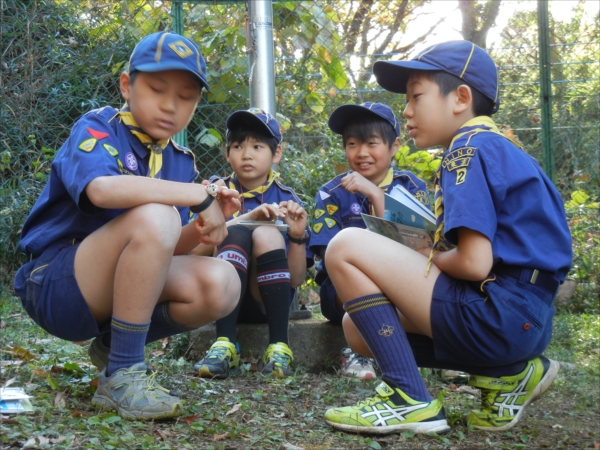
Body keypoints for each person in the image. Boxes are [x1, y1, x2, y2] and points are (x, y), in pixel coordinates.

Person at [323, 40, 572, 434]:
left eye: (415, 97)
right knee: (358, 328)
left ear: (460, 98)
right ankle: (510, 375)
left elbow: (474, 263)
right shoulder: (505, 149)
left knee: (345, 246)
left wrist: (428, 254)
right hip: (526, 321)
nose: (406, 111)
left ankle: (409, 398)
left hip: (495, 312)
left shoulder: (466, 152)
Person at [12, 32, 243, 421]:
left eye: (186, 96)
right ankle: (124, 372)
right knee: (157, 213)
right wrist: (195, 197)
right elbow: (101, 190)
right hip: (55, 284)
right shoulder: (99, 127)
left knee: (222, 282)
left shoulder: (180, 162)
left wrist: (207, 225)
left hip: (112, 289)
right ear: (126, 85)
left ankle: (113, 346)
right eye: (156, 89)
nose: (170, 105)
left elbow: (164, 246)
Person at [308, 102, 429, 381]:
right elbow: (330, 257)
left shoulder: (412, 189)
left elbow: (423, 246)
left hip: (403, 283)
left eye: (372, 143)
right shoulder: (330, 194)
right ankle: (359, 350)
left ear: (395, 146)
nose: (361, 152)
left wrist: (375, 195)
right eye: (352, 144)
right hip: (344, 292)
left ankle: (443, 351)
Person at [192, 108, 310, 379]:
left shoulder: (288, 201)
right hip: (218, 295)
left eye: (257, 146)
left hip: (266, 300)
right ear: (227, 153)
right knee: (236, 230)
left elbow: (296, 279)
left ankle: (279, 345)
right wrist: (242, 218)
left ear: (276, 153)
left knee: (266, 233)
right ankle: (224, 344)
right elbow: (191, 252)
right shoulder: (213, 192)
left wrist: (296, 235)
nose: (247, 154)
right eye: (238, 146)